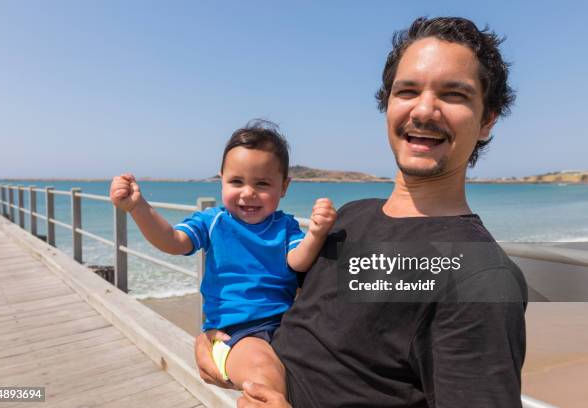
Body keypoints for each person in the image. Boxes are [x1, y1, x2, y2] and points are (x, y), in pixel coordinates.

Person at [195, 16, 528, 407]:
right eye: (407, 91)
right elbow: (301, 327)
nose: (423, 111)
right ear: (387, 104)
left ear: (487, 119)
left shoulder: (475, 276)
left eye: (454, 94)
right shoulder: (350, 220)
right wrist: (224, 348)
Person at [109, 121, 337, 395]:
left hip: (287, 324)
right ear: (222, 180)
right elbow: (172, 241)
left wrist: (315, 232)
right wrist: (138, 208)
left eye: (262, 183)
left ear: (284, 186)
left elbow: (298, 261)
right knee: (263, 375)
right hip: (237, 331)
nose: (248, 192)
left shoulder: (285, 226)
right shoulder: (213, 221)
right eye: (236, 181)